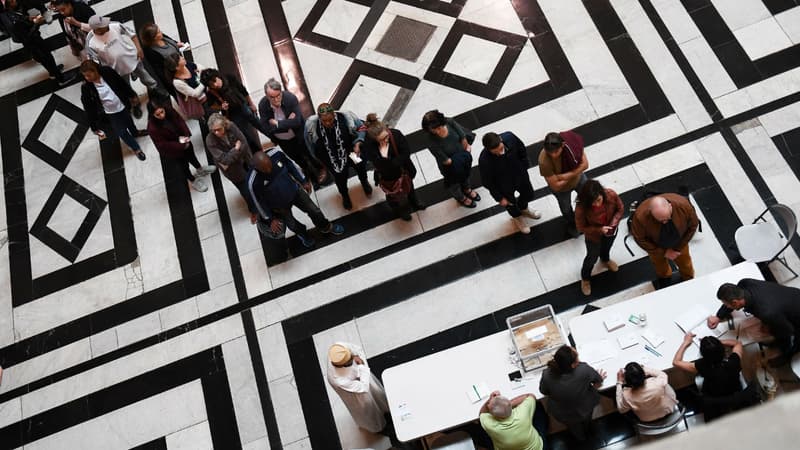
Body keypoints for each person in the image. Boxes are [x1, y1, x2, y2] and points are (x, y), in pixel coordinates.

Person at [247, 149, 344, 252]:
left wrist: (303, 180)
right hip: (279, 207)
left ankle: (325, 226)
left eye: (269, 165)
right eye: (265, 169)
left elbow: (290, 165)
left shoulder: (276, 154)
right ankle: (303, 235)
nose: (269, 170)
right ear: (257, 168)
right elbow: (258, 202)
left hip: (295, 192)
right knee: (292, 224)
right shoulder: (253, 181)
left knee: (314, 210)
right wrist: (270, 219)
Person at [709, 280, 800, 367]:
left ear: (735, 302)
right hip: (790, 297)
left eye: (727, 305)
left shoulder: (766, 312)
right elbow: (730, 301)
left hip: (795, 314)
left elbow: (788, 330)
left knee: (792, 338)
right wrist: (718, 317)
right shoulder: (745, 283)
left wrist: (771, 329)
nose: (727, 307)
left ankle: (787, 355)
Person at [673, 333, 757, 421]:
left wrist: (686, 342)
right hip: (735, 392)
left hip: (713, 397)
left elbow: (676, 362)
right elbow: (737, 343)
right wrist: (715, 344)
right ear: (722, 350)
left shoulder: (702, 366)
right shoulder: (734, 361)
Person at [258, 77, 325, 185]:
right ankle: (306, 172)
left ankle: (320, 168)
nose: (276, 100)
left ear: (281, 92)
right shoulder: (263, 105)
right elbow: (265, 127)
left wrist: (278, 123)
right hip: (283, 141)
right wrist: (288, 122)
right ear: (266, 96)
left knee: (309, 153)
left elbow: (297, 122)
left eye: (278, 95)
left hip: (299, 135)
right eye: (272, 97)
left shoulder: (290, 98)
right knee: (297, 158)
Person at [304, 103, 371, 210]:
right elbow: (309, 144)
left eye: (330, 119)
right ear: (319, 118)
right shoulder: (312, 126)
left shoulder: (346, 118)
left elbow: (362, 128)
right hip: (332, 160)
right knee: (340, 180)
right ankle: (345, 195)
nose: (328, 123)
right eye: (324, 121)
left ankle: (364, 182)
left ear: (334, 114)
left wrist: (358, 142)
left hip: (352, 152)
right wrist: (319, 159)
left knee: (361, 168)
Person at [79, 59, 146, 160]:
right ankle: (136, 148)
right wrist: (93, 126)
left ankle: (135, 132)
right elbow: (88, 107)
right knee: (121, 132)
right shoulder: (86, 88)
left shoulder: (107, 72)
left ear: (95, 70)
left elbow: (121, 83)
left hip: (122, 105)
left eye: (88, 75)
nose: (87, 78)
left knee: (129, 120)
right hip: (109, 113)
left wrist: (132, 95)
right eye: (85, 76)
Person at [362, 113, 425, 221]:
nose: (385, 141)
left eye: (386, 137)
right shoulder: (368, 145)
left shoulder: (395, 134)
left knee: (409, 186)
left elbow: (406, 152)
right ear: (374, 139)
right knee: (394, 195)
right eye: (381, 140)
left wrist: (393, 162)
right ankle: (401, 210)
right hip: (388, 176)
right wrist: (384, 156)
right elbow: (378, 164)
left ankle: (414, 201)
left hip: (404, 169)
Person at [539, 345, 606, 441]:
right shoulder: (583, 369)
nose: (579, 360)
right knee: (587, 419)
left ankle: (580, 438)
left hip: (563, 413)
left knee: (573, 427)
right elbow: (598, 380)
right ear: (572, 365)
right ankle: (588, 430)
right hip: (585, 407)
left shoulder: (547, 374)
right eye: (577, 358)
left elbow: (543, 391)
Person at [630, 194, 699, 287]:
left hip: (679, 243)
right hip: (655, 247)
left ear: (670, 206)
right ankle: (665, 276)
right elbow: (640, 239)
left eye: (667, 218)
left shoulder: (684, 206)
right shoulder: (640, 217)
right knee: (659, 265)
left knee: (685, 263)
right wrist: (663, 252)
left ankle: (688, 277)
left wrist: (678, 248)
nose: (665, 222)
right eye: (661, 220)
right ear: (651, 212)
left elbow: (693, 226)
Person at [479, 131, 541, 234]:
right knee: (510, 205)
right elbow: (487, 182)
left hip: (520, 176)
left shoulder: (510, 138)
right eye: (495, 152)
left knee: (529, 194)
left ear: (501, 139)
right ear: (488, 149)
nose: (499, 153)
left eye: (500, 149)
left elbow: (522, 150)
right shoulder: (484, 160)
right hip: (504, 186)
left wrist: (524, 166)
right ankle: (517, 217)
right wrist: (499, 198)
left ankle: (523, 208)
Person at [147, 98, 215, 192]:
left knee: (192, 156)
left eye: (162, 112)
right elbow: (163, 145)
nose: (162, 115)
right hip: (174, 151)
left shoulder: (169, 110)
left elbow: (179, 121)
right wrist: (181, 145)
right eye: (158, 114)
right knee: (183, 166)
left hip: (184, 140)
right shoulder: (152, 128)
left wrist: (186, 134)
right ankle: (193, 180)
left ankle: (200, 169)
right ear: (152, 115)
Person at [0, 0, 74, 85]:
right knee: (46, 57)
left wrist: (29, 19)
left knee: (42, 56)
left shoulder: (9, 13)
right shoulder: (14, 22)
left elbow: (21, 18)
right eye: (12, 1)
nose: (16, 1)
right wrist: (36, 23)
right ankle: (60, 78)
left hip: (28, 38)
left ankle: (53, 71)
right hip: (31, 40)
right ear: (9, 5)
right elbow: (28, 35)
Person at [86, 15, 159, 93]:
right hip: (116, 68)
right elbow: (93, 60)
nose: (107, 24)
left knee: (144, 75)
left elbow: (132, 34)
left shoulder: (115, 25)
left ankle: (155, 88)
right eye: (104, 25)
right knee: (126, 86)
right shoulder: (90, 41)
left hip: (131, 58)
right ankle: (133, 97)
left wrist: (139, 49)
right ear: (98, 29)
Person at [327, 342, 389, 434]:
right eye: (350, 360)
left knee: (377, 393)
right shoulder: (338, 380)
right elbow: (363, 387)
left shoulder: (339, 348)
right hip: (356, 394)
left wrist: (357, 357)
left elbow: (356, 349)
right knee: (368, 410)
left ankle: (385, 409)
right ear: (341, 365)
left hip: (362, 377)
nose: (352, 359)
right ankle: (378, 427)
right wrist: (361, 366)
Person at [421, 110, 479, 208]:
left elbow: (462, 136)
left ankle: (467, 189)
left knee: (465, 175)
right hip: (450, 165)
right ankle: (461, 197)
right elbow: (446, 160)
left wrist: (465, 151)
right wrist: (462, 157)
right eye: (433, 129)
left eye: (438, 128)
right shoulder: (430, 140)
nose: (437, 131)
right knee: (454, 183)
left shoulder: (449, 122)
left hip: (461, 157)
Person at [574, 179, 623, 296]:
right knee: (591, 257)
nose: (597, 204)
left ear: (602, 193)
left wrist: (613, 223)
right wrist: (599, 230)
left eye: (598, 200)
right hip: (593, 237)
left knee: (607, 247)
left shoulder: (610, 195)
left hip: (611, 231)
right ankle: (585, 278)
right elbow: (581, 227)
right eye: (593, 203)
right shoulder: (581, 208)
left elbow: (620, 208)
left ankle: (605, 259)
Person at [205, 113, 256, 219]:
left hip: (246, 160)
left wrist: (232, 155)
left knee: (255, 181)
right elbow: (224, 160)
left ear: (224, 125)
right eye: (213, 130)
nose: (216, 132)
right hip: (234, 171)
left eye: (219, 129)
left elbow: (244, 142)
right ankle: (254, 210)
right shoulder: (210, 140)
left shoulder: (231, 126)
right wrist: (236, 149)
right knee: (245, 191)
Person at [539, 131, 588, 237]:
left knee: (589, 196)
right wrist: (575, 173)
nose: (553, 155)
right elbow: (555, 185)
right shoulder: (544, 161)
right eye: (550, 153)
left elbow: (585, 164)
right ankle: (573, 224)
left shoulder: (571, 143)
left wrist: (564, 177)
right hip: (562, 190)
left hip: (578, 179)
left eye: (556, 152)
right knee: (566, 209)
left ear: (563, 145)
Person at [200, 68, 263, 153]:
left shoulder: (229, 77)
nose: (215, 85)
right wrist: (221, 107)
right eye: (211, 84)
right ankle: (258, 153)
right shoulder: (210, 91)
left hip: (242, 105)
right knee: (243, 134)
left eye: (215, 81)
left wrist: (251, 104)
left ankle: (274, 136)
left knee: (257, 122)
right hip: (232, 114)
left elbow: (243, 91)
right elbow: (211, 105)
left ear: (217, 76)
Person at [479, 391, 546, 450]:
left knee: (474, 427)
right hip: (537, 448)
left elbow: (482, 413)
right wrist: (507, 404)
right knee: (539, 406)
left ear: (492, 415)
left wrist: (489, 399)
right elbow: (531, 396)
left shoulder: (490, 424)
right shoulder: (522, 413)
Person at [139, 22, 187, 97]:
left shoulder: (162, 36)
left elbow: (171, 41)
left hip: (181, 66)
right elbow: (160, 73)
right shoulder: (151, 53)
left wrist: (176, 44)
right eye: (158, 32)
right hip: (176, 77)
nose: (161, 32)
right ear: (153, 38)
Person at [165, 55, 206, 125]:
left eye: (180, 56)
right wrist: (205, 81)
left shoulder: (187, 64)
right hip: (201, 103)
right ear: (177, 67)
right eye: (180, 59)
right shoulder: (177, 82)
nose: (182, 57)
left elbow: (202, 69)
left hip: (207, 93)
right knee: (207, 121)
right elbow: (195, 93)